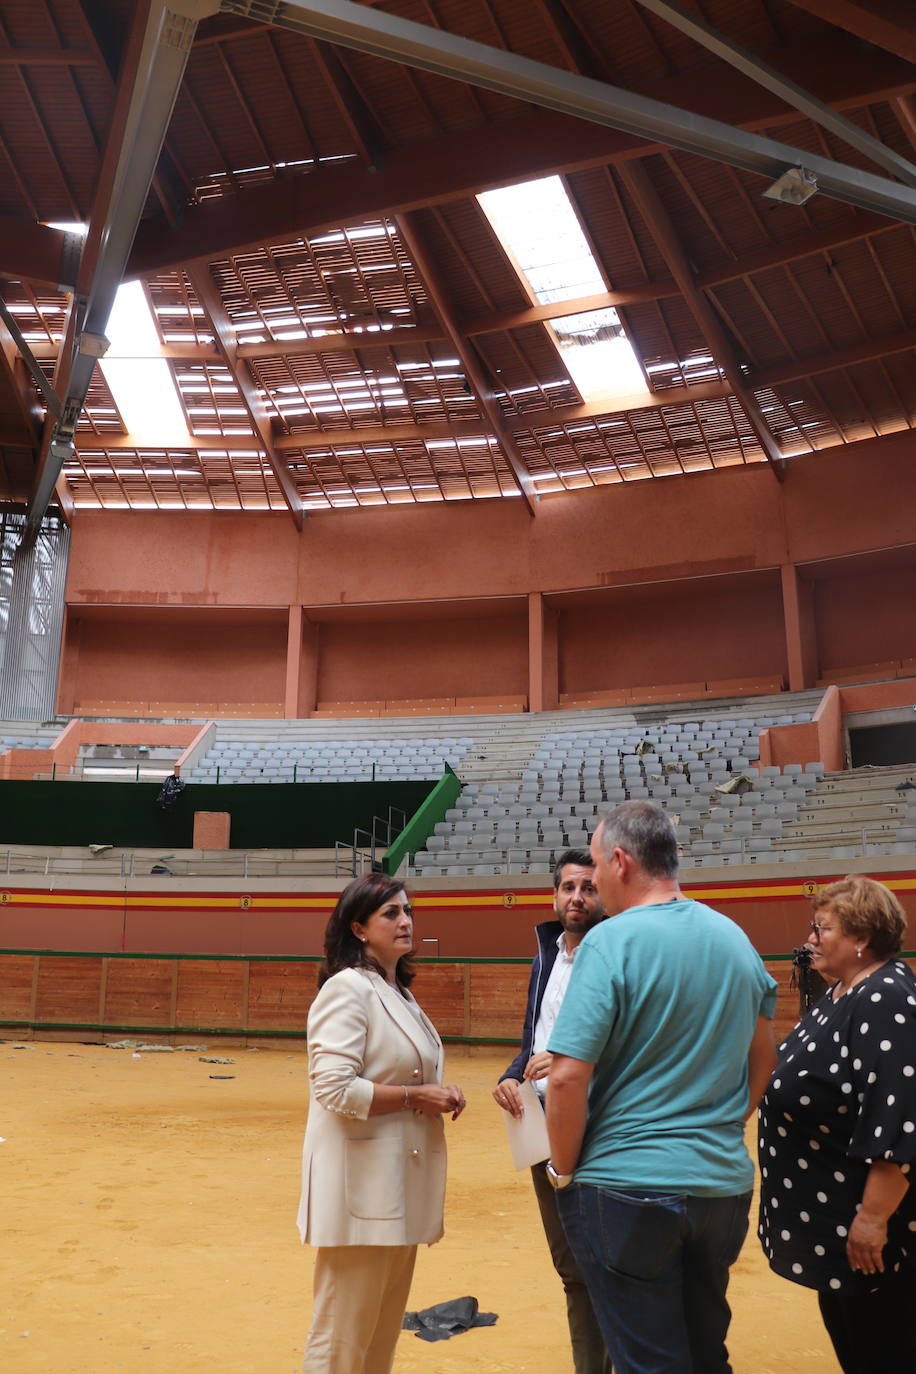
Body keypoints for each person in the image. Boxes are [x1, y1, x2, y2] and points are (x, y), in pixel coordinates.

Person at [545, 800, 777, 1374]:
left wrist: (563, 1170)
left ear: (621, 861)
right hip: (720, 1185)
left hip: (627, 1186)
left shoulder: (610, 942)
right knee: (705, 1354)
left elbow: (568, 1075)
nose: (593, 879)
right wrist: (726, 1123)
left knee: (648, 1363)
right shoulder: (734, 937)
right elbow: (764, 1058)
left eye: (596, 866)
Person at [296, 872, 466, 1374]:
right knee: (341, 1339)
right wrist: (418, 1096)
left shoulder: (399, 993)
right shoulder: (347, 989)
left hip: (396, 1189)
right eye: (391, 913)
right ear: (359, 928)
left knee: (379, 1337)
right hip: (360, 1193)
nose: (405, 920)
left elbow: (409, 1072)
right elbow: (333, 1088)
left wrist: (439, 1093)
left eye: (408, 910)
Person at [758, 875, 916, 1374]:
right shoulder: (844, 990)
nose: (810, 939)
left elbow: (902, 1115)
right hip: (835, 1225)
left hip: (869, 1229)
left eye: (821, 928)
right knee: (857, 1343)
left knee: (883, 1349)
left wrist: (872, 1219)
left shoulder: (885, 997)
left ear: (861, 938)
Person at [492, 848, 612, 1374]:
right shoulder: (546, 954)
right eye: (569, 887)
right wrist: (511, 1075)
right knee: (570, 1266)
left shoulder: (615, 953)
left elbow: (628, 1043)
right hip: (538, 1126)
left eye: (588, 887)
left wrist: (562, 1061)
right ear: (555, 894)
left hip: (595, 1127)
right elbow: (531, 1037)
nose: (577, 897)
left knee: (605, 1262)